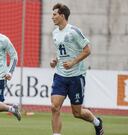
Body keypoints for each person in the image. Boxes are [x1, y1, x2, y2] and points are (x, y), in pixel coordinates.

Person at [49, 3, 104, 135]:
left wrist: (73, 62)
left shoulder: (74, 31)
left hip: (76, 76)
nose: (52, 17)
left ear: (62, 16)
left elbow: (87, 50)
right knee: (54, 107)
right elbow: (60, 52)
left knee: (77, 113)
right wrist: (55, 60)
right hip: (60, 75)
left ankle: (97, 123)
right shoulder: (55, 33)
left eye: (55, 14)